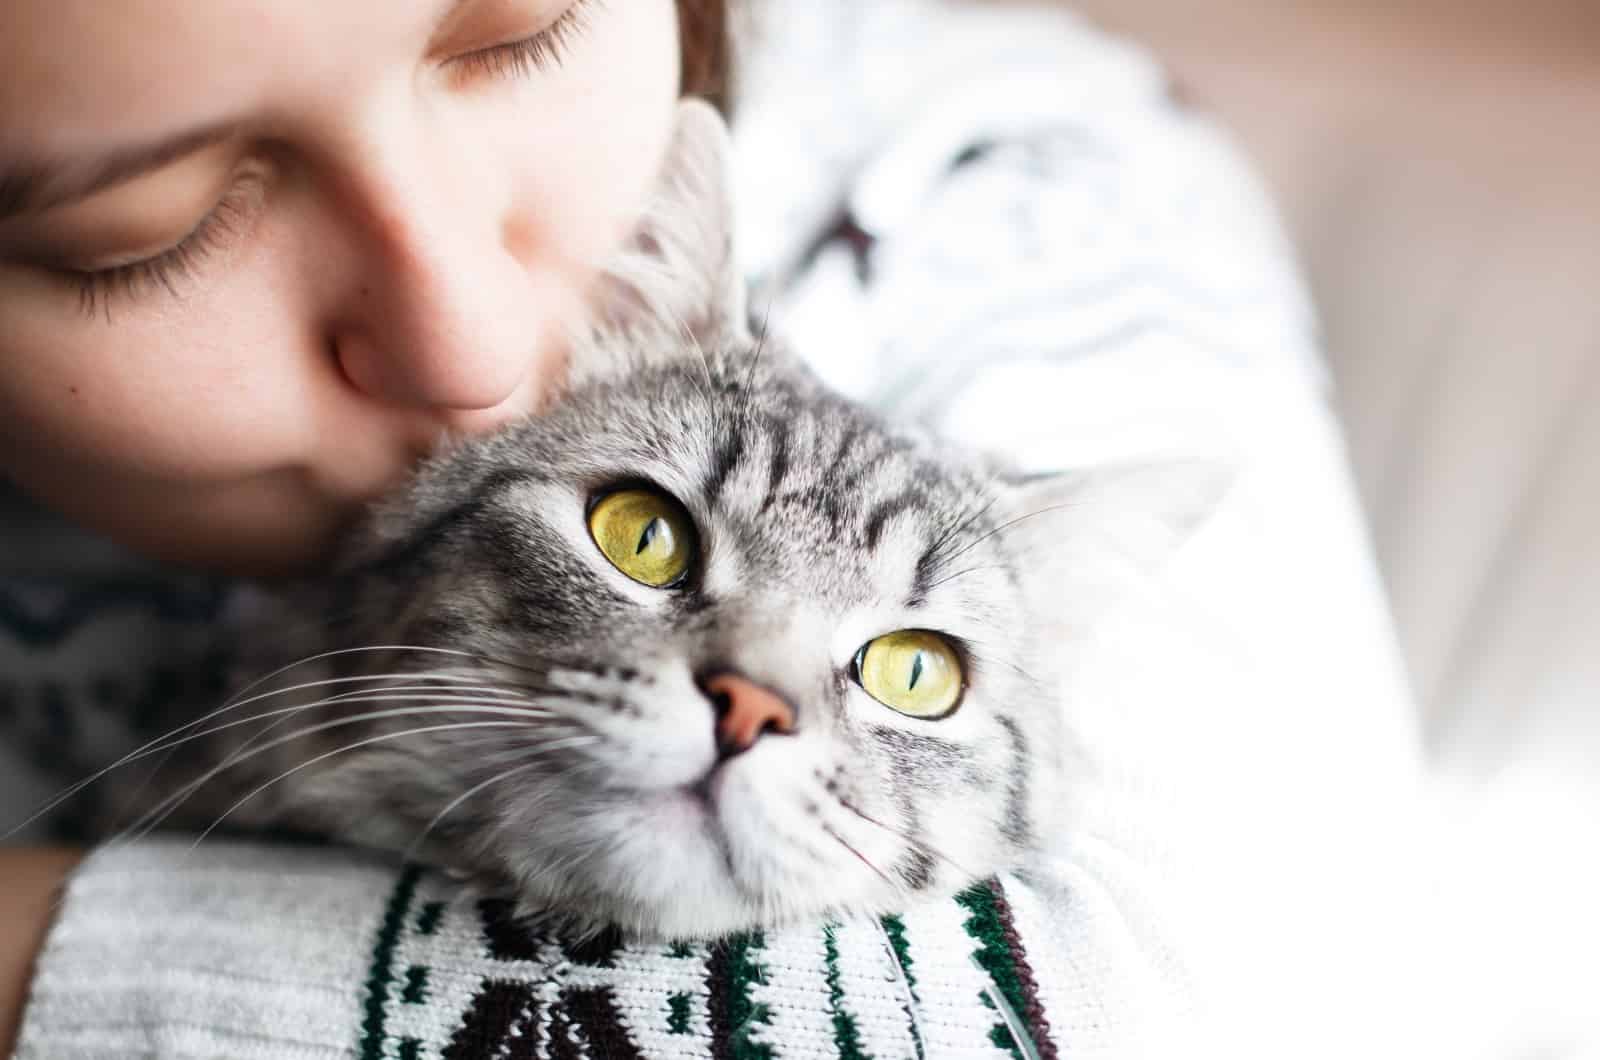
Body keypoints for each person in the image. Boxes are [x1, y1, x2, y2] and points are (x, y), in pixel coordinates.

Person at [0, 0, 1434, 1056]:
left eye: (519, 34)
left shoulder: (1019, 184)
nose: (475, 344)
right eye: (147, 228)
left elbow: (1213, 1006)